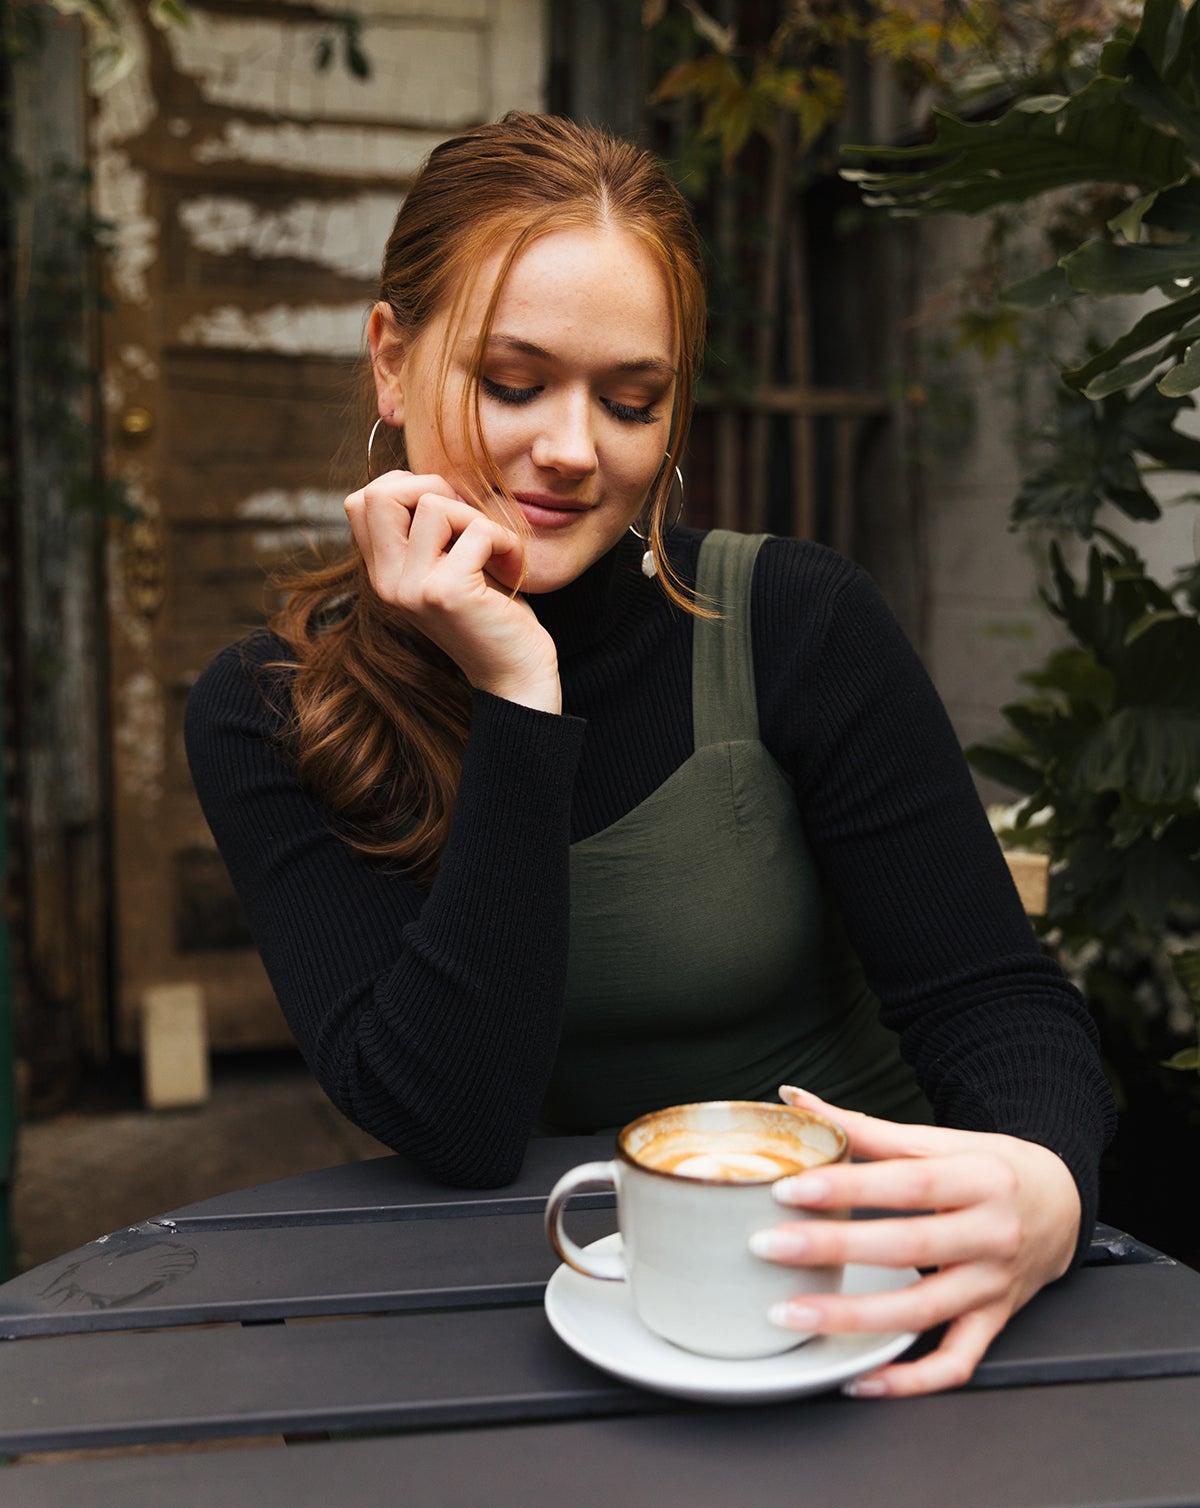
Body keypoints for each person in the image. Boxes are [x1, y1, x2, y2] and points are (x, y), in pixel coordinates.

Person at [185, 111, 1115, 1398]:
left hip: (843, 1302)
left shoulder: (796, 625)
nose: (574, 451)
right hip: (503, 1316)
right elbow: (450, 1119)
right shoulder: (268, 710)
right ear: (391, 361)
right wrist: (519, 691)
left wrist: (1041, 1181)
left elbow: (993, 1001)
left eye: (633, 399)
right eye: (513, 382)